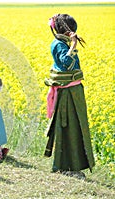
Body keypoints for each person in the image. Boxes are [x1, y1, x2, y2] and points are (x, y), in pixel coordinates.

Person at [44, 14, 95, 178]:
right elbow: (66, 63)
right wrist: (73, 45)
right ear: (68, 32)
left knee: (73, 127)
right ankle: (67, 166)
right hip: (68, 94)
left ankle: (70, 165)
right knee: (69, 128)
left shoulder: (60, 43)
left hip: (71, 92)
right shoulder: (60, 45)